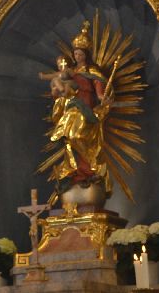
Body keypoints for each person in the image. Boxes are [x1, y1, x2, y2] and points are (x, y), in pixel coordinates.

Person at [42, 22, 113, 195]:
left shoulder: (92, 71)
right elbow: (60, 89)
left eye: (80, 53)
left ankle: (89, 170)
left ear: (86, 55)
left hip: (86, 109)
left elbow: (99, 90)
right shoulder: (70, 71)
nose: (78, 56)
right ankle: (75, 171)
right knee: (69, 137)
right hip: (71, 106)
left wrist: (103, 98)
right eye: (75, 53)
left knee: (78, 136)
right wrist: (57, 93)